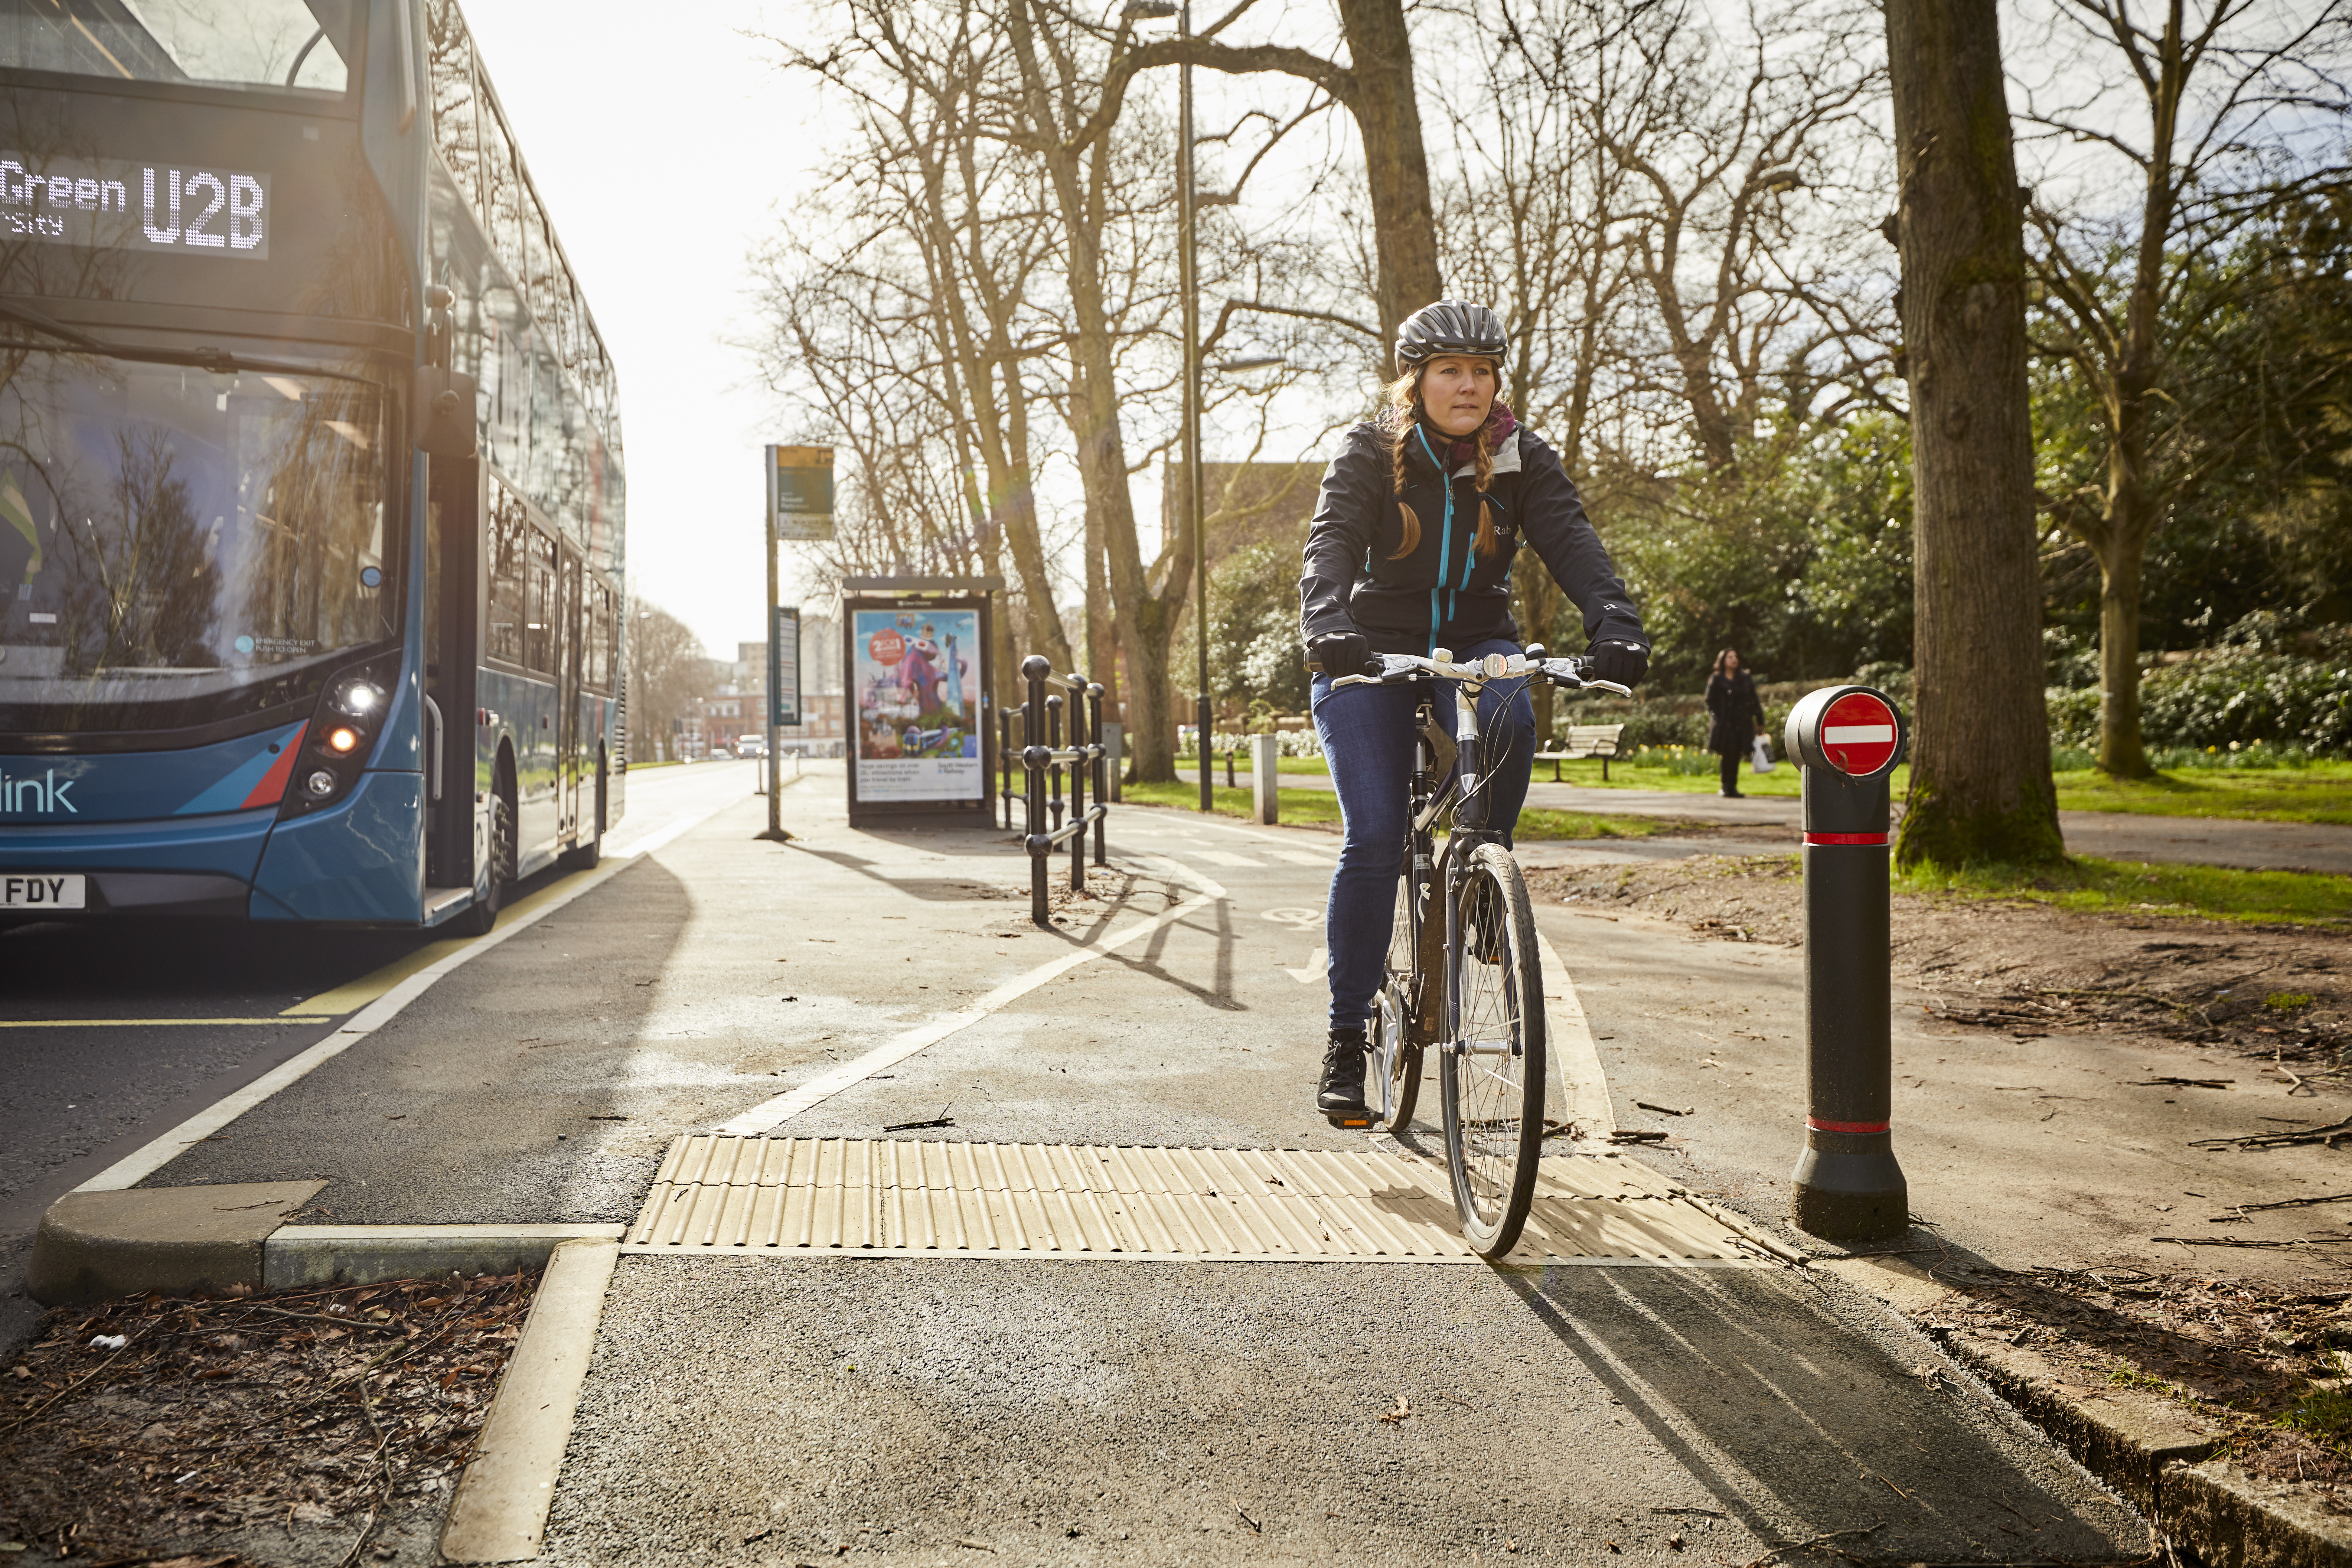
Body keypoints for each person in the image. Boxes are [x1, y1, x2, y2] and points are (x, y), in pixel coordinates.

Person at [1299, 300, 1649, 1125]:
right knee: (1376, 835)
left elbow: (1572, 542)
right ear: (1414, 380)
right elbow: (1329, 546)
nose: (1466, 385)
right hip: (1370, 650)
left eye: (1480, 372)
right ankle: (1346, 1037)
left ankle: (1485, 877)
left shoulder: (1518, 457)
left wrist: (1615, 626)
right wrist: (1328, 627)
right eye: (1448, 371)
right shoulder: (1367, 451)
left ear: (1497, 382)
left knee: (1510, 714)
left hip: (1477, 641)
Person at [1705, 649, 1765, 798]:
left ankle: (1733, 786)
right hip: (1725, 723)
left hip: (1742, 721)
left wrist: (1760, 719)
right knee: (1727, 753)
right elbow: (1710, 701)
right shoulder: (1717, 679)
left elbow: (1754, 699)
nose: (1734, 659)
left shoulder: (1744, 678)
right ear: (1723, 660)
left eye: (1736, 656)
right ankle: (1726, 785)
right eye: (1730, 657)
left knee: (1737, 753)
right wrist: (1718, 715)